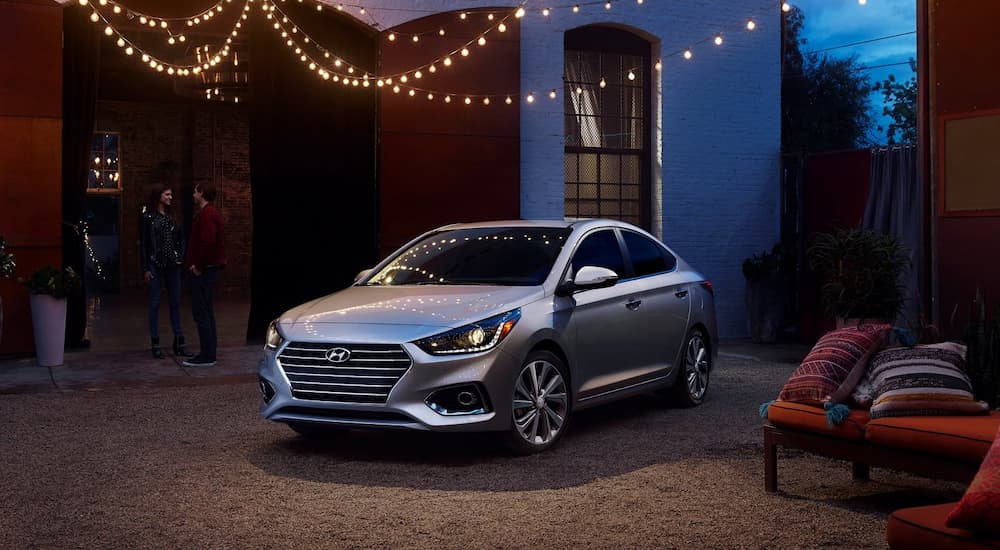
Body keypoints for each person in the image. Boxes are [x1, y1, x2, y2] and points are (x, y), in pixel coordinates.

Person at [140, 184, 192, 359]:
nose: (170, 197)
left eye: (171, 194)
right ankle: (155, 343)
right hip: (155, 264)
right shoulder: (148, 217)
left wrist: (180, 256)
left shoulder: (173, 216)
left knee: (175, 303)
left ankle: (179, 341)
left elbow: (181, 238)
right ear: (159, 196)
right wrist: (146, 268)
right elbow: (144, 244)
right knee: (154, 303)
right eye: (167, 194)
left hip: (173, 265)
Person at [183, 181, 226, 367]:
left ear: (201, 193)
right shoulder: (210, 213)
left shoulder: (207, 214)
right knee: (206, 312)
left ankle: (207, 355)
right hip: (208, 268)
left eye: (195, 191)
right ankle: (209, 353)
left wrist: (198, 265)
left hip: (205, 270)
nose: (193, 195)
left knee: (202, 312)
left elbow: (208, 242)